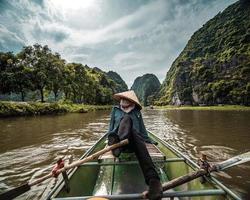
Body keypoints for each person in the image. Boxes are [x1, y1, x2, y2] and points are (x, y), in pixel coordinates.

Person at [107, 90, 163, 200]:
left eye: (126, 99)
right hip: (117, 141)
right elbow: (111, 128)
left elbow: (142, 131)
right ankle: (153, 178)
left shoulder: (137, 112)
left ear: (131, 101)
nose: (123, 100)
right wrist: (109, 140)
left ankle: (153, 180)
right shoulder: (115, 110)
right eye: (122, 98)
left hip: (134, 143)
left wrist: (150, 141)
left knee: (132, 128)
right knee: (126, 119)